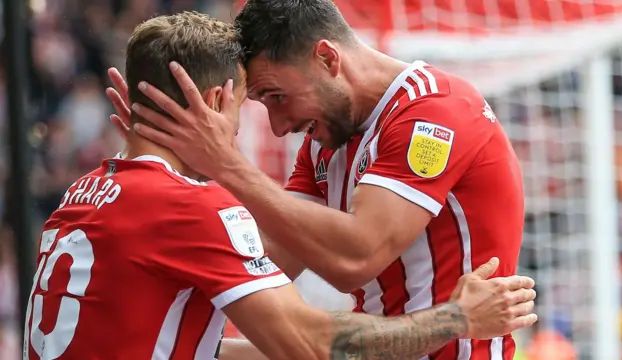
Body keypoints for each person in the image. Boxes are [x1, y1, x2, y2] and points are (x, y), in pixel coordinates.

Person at [24, 11, 537, 360]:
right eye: (257, 101)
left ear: (328, 59)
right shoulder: (192, 206)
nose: (272, 126)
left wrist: (218, 165)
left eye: (275, 97)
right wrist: (459, 318)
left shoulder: (85, 191)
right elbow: (309, 326)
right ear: (214, 101)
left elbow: (321, 264)